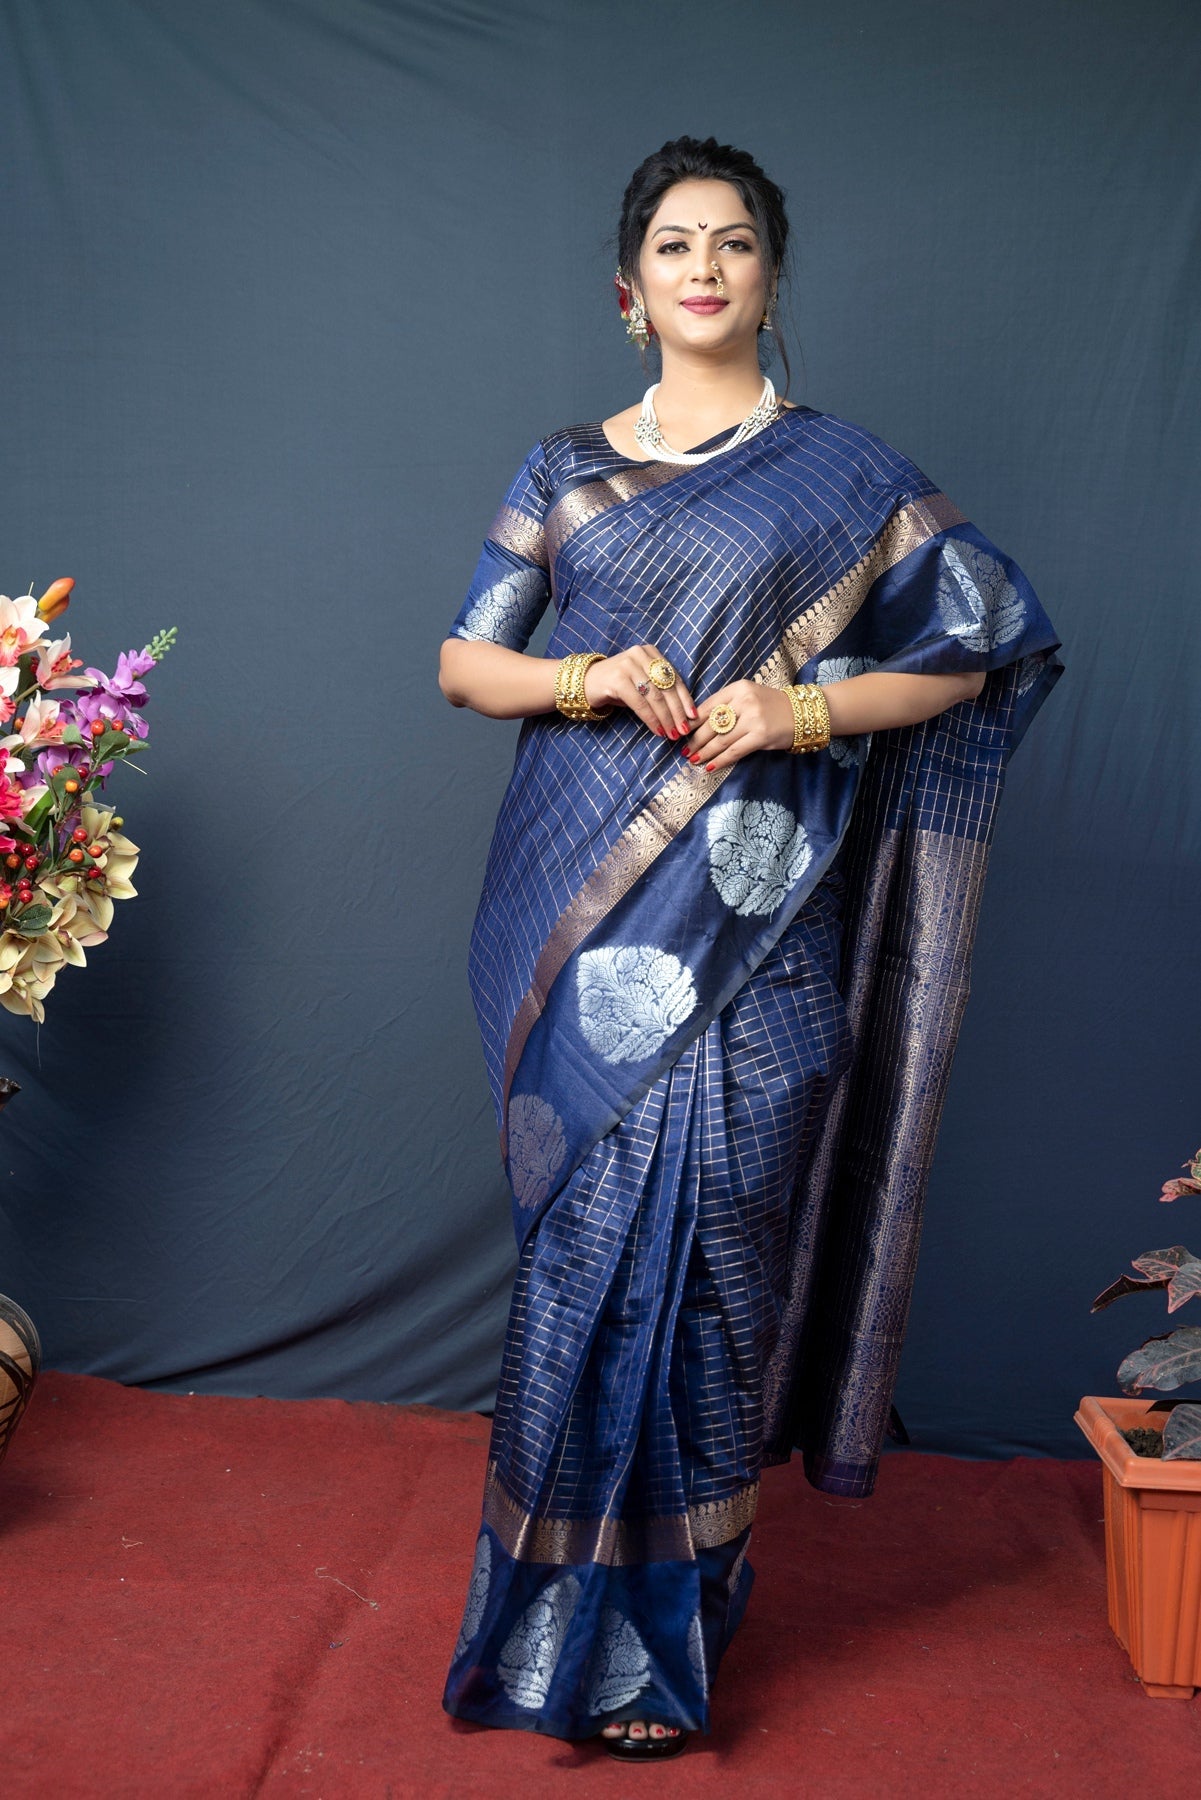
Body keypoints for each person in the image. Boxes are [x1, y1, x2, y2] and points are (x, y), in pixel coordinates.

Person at [437, 136, 1063, 1761]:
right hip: (577, 914)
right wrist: (589, 679)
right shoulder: (563, 468)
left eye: (732, 243)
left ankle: (672, 1637)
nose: (702, 266)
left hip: (763, 917)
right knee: (583, 1254)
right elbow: (464, 663)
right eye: (671, 244)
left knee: (716, 1252)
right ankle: (550, 1625)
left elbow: (978, 648)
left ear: (769, 278)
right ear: (626, 287)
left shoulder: (849, 476)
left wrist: (800, 704)